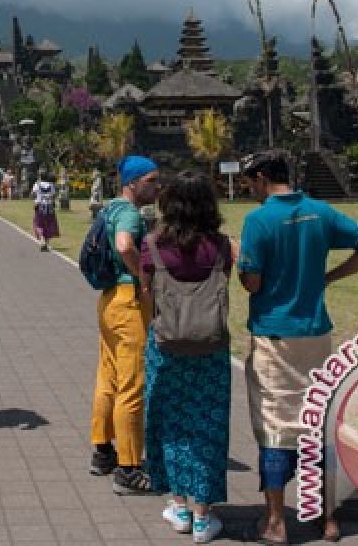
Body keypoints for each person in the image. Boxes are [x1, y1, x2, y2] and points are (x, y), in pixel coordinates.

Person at [237, 150, 358, 544]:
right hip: (317, 333)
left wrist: (247, 270)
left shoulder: (258, 220)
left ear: (263, 177)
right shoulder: (320, 211)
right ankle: (327, 516)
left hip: (275, 333)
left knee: (276, 427)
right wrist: (329, 277)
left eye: (249, 180)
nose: (247, 188)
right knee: (318, 421)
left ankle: (275, 520)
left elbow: (252, 282)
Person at [141, 172, 234, 544]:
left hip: (165, 347)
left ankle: (178, 505)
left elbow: (147, 288)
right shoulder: (221, 247)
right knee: (207, 427)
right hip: (211, 349)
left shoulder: (152, 246)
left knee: (169, 422)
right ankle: (202, 514)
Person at [89, 155, 160, 495]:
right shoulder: (130, 214)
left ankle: (103, 451)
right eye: (151, 181)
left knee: (109, 378)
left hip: (108, 302)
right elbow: (123, 245)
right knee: (132, 386)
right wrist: (143, 275)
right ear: (132, 183)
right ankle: (128, 468)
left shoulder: (111, 208)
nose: (157, 187)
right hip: (129, 301)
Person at [30, 169, 59, 251]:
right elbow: (54, 196)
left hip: (39, 206)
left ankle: (42, 240)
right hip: (49, 207)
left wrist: (35, 197)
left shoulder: (37, 184)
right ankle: (46, 243)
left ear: (40, 176)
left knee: (38, 224)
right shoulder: (51, 185)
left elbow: (33, 194)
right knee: (49, 224)